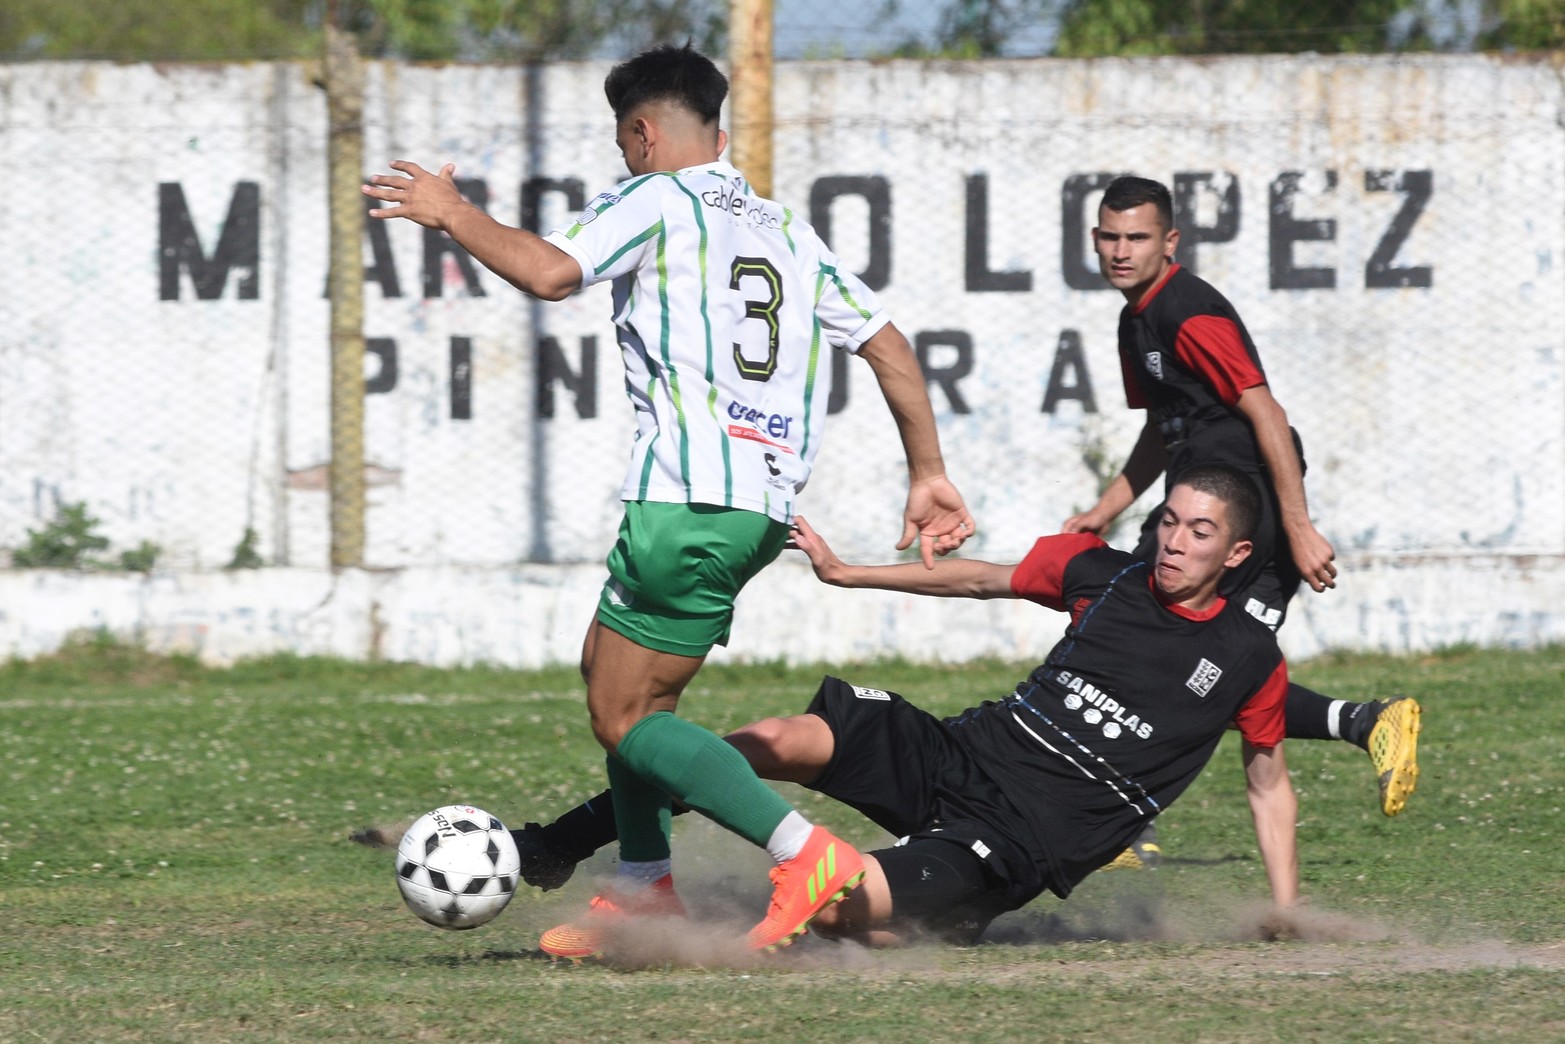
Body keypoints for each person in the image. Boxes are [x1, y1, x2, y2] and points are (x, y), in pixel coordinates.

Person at [360, 44, 974, 957]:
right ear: (718, 131)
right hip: (752, 506)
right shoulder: (783, 230)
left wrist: (453, 214)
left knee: (629, 719)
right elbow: (886, 343)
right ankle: (645, 885)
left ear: (643, 133)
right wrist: (928, 470)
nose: (624, 159)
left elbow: (550, 273)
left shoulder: (651, 200)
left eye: (624, 143)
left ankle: (805, 855)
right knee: (605, 669)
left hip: (686, 499)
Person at [483, 464, 1298, 947]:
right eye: (1166, 521)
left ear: (1234, 553)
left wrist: (1284, 912)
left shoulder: (1246, 659)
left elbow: (1268, 787)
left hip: (1018, 839)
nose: (1172, 541)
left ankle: (677, 928)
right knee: (765, 740)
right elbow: (980, 576)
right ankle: (566, 846)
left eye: (1197, 531)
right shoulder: (1104, 571)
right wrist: (849, 574)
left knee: (844, 919)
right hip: (965, 750)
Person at [1062, 176, 1419, 867]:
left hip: (1238, 510)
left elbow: (1267, 415)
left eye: (1136, 237)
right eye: (1109, 237)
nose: (1119, 250)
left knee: (1173, 653)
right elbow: (1162, 429)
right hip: (1199, 506)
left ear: (1170, 242)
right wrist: (1102, 511)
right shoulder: (1134, 318)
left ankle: (1117, 829)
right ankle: (1367, 721)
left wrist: (1298, 525)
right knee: (1201, 665)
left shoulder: (1189, 314)